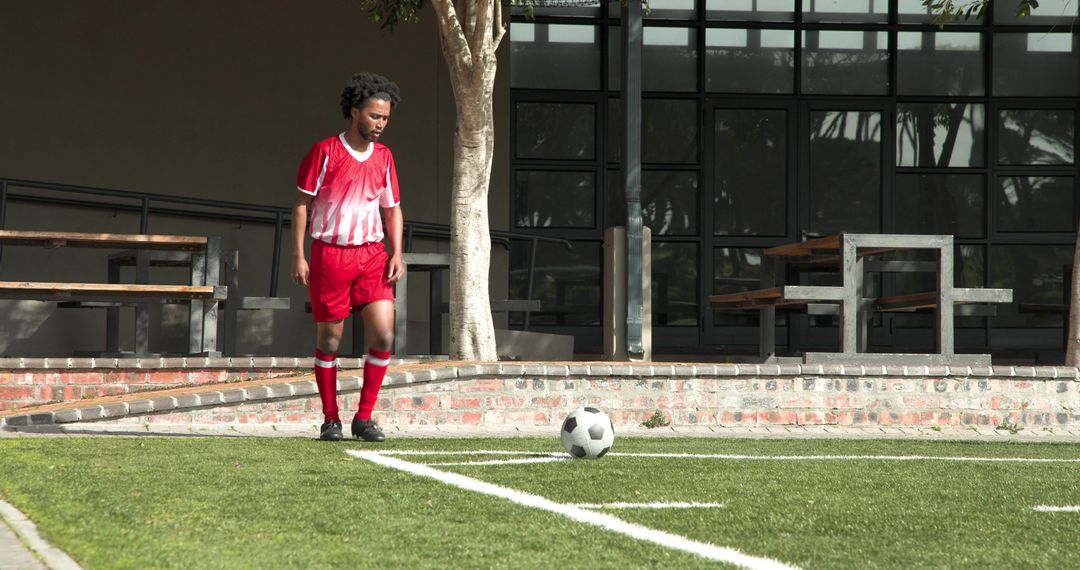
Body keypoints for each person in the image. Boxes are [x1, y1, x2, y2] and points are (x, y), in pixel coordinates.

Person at [291, 72, 405, 442]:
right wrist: (298, 255)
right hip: (329, 256)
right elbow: (301, 205)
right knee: (330, 342)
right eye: (374, 116)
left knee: (384, 335)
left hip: (373, 255)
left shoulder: (385, 158)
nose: (380, 124)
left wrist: (397, 252)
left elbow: (393, 209)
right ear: (355, 112)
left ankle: (365, 417)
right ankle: (330, 419)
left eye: (385, 118)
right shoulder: (325, 152)